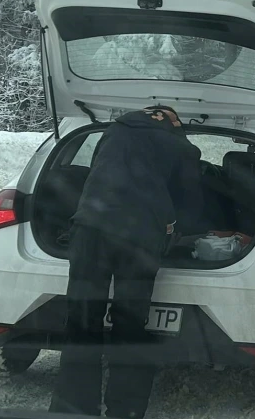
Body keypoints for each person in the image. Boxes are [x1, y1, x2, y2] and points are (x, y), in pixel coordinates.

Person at [49, 105, 207, 418]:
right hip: (138, 237)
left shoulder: (114, 131)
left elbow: (95, 176)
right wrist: (181, 227)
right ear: (171, 120)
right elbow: (191, 200)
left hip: (89, 230)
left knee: (81, 321)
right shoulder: (178, 144)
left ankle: (73, 407)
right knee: (130, 323)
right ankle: (126, 409)